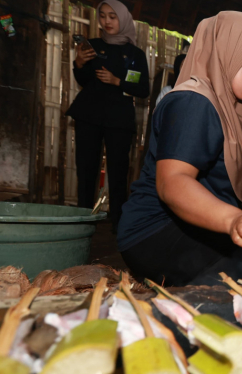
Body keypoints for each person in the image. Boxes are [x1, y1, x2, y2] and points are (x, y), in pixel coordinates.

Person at [116, 11, 242, 287]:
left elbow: (237, 186)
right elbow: (173, 183)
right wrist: (234, 221)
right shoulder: (194, 103)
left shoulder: (233, 108)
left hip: (185, 225)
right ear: (225, 50)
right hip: (153, 232)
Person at [67, 0, 149, 233]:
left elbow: (142, 89)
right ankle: (81, 221)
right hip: (88, 115)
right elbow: (84, 81)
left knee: (118, 170)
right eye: (102, 16)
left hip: (119, 119)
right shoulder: (91, 46)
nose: (107, 21)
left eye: (112, 16)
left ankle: (117, 224)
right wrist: (79, 63)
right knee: (86, 169)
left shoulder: (134, 55)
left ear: (123, 18)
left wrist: (117, 81)